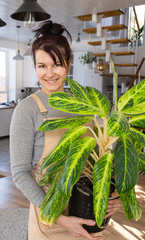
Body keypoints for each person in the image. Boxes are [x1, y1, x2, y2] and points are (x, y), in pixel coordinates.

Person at [10, 21, 121, 240]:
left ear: (68, 65)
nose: (49, 73)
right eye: (42, 66)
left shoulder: (86, 104)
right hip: (52, 217)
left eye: (56, 64)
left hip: (91, 212)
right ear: (35, 67)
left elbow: (109, 152)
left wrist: (116, 193)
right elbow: (20, 174)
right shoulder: (29, 109)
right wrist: (61, 219)